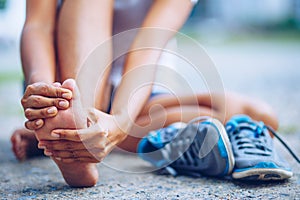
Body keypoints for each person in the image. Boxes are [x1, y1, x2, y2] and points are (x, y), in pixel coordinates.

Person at [11, 0, 279, 187]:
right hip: (70, 81)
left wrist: (118, 123)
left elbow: (146, 48)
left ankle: (66, 137)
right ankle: (70, 121)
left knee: (259, 116)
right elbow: (38, 25)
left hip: (139, 89)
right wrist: (43, 91)